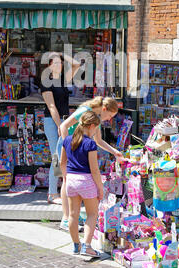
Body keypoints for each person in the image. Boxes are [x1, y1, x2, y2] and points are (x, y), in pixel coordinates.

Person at [59, 95, 124, 230]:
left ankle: (71, 218)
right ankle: (66, 219)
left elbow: (98, 141)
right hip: (70, 147)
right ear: (104, 108)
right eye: (110, 115)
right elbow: (63, 126)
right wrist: (68, 146)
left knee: (70, 181)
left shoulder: (95, 118)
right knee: (66, 180)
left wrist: (114, 152)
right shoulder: (85, 111)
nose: (110, 119)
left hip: (75, 148)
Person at [60, 110, 103, 256]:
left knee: (72, 215)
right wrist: (100, 188)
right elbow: (94, 169)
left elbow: (62, 163)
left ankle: (76, 245)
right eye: (96, 128)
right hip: (86, 180)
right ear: (91, 126)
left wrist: (66, 178)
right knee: (92, 214)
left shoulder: (67, 140)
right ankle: (87, 246)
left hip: (71, 179)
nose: (95, 131)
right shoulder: (90, 143)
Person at [41, 52, 80, 203]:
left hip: (64, 122)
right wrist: (59, 125)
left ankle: (59, 190)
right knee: (56, 157)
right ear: (49, 66)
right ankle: (52, 194)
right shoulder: (46, 82)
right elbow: (51, 106)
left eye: (60, 63)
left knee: (63, 157)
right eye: (55, 63)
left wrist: (63, 55)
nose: (58, 65)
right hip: (53, 122)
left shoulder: (63, 80)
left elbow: (76, 64)